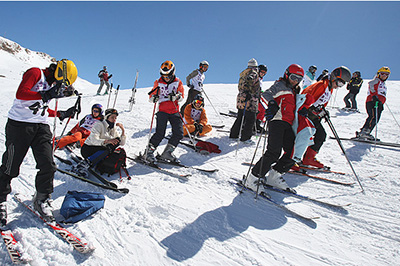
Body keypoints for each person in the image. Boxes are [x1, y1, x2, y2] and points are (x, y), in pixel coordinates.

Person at [0, 60, 78, 225]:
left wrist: (59, 113)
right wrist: (45, 94)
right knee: (10, 165)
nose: (61, 85)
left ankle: (42, 199)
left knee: (48, 164)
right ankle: (0, 199)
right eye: (62, 81)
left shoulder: (52, 85)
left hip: (40, 126)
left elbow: (40, 106)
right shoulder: (36, 73)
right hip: (19, 125)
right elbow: (21, 93)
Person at [245, 64, 304, 192]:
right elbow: (265, 95)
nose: (295, 81)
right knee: (273, 152)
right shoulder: (280, 85)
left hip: (288, 124)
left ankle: (274, 175)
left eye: (299, 79)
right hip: (277, 121)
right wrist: (271, 103)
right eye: (294, 77)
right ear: (287, 74)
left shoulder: (295, 90)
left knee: (293, 151)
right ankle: (252, 178)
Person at [301, 66, 351, 168]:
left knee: (321, 135)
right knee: (303, 136)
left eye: (342, 84)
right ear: (334, 78)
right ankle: (292, 159)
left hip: (313, 116)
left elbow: (320, 103)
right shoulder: (321, 85)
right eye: (340, 83)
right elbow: (305, 97)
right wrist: (308, 109)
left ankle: (308, 159)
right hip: (304, 114)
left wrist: (323, 111)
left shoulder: (329, 88)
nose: (339, 86)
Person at [142, 60, 184, 163]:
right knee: (160, 133)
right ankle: (148, 153)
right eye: (164, 76)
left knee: (179, 133)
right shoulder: (158, 82)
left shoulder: (178, 82)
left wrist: (176, 97)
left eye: (168, 75)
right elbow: (151, 95)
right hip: (162, 110)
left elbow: (181, 95)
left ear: (173, 72)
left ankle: (167, 153)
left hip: (174, 110)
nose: (166, 78)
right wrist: (153, 98)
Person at [229, 58, 261, 144]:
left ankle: (234, 134)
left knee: (240, 116)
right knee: (251, 118)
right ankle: (245, 137)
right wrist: (248, 92)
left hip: (241, 97)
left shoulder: (243, 74)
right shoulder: (253, 73)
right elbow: (250, 81)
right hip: (250, 99)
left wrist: (244, 92)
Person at [356, 67, 390, 140]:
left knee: (376, 118)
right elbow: (371, 85)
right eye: (382, 73)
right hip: (373, 101)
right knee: (373, 116)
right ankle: (364, 132)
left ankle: (366, 132)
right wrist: (374, 96)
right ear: (378, 74)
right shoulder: (376, 80)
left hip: (379, 103)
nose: (384, 75)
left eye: (386, 74)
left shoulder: (383, 84)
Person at [255, 64, 268, 133]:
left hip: (257, 97)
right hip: (254, 98)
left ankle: (256, 125)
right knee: (261, 110)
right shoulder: (256, 78)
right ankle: (256, 126)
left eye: (264, 73)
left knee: (262, 110)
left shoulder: (260, 79)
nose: (263, 74)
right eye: (262, 72)